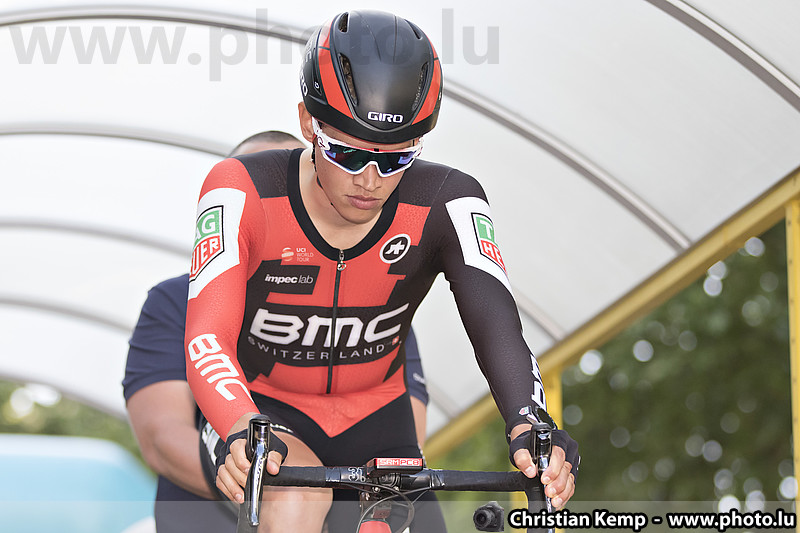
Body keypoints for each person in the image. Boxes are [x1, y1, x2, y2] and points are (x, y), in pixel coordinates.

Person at [185, 10, 579, 532]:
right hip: (263, 405)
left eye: (395, 159)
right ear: (307, 123)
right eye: (347, 154)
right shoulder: (240, 187)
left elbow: (497, 328)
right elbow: (207, 335)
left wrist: (530, 422)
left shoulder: (449, 199)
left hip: (377, 414)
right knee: (295, 499)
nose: (370, 180)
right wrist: (239, 422)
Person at [123, 130, 434, 532]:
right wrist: (281, 494)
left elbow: (404, 436)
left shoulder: (374, 301)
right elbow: (162, 439)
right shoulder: (173, 299)